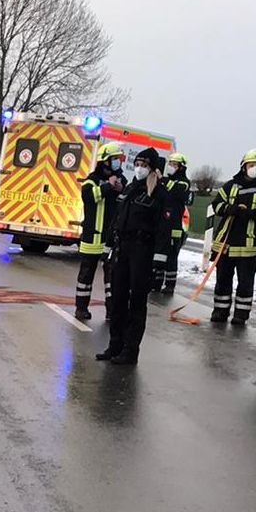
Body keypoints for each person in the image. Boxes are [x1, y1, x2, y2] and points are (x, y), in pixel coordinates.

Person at [96, 148, 168, 365]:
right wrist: (108, 247)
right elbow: (116, 220)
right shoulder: (129, 188)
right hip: (122, 248)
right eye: (137, 163)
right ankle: (115, 345)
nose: (139, 168)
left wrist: (158, 263)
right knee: (118, 298)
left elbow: (163, 230)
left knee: (136, 302)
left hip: (142, 251)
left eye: (144, 164)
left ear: (153, 168)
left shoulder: (159, 193)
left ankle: (130, 350)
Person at [208, 150, 256, 324]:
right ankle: (220, 311)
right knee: (223, 281)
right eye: (251, 165)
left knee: (245, 283)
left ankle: (241, 315)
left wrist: (253, 214)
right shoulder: (230, 185)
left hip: (248, 247)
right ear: (244, 167)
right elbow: (216, 204)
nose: (254, 168)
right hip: (225, 244)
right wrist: (229, 209)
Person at [75, 143, 126, 321]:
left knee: (112, 276)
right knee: (86, 275)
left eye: (119, 159)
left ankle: (111, 312)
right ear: (105, 161)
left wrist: (120, 189)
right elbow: (89, 197)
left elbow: (124, 201)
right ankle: (81, 308)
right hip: (93, 236)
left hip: (111, 238)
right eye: (115, 159)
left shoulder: (121, 181)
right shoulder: (91, 180)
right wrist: (107, 187)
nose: (117, 162)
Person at [151, 153, 193, 294]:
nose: (171, 167)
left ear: (181, 167)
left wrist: (162, 179)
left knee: (171, 257)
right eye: (170, 164)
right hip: (161, 224)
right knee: (158, 255)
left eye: (174, 165)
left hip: (175, 226)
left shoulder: (184, 183)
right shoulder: (166, 181)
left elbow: (176, 191)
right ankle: (155, 282)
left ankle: (170, 284)